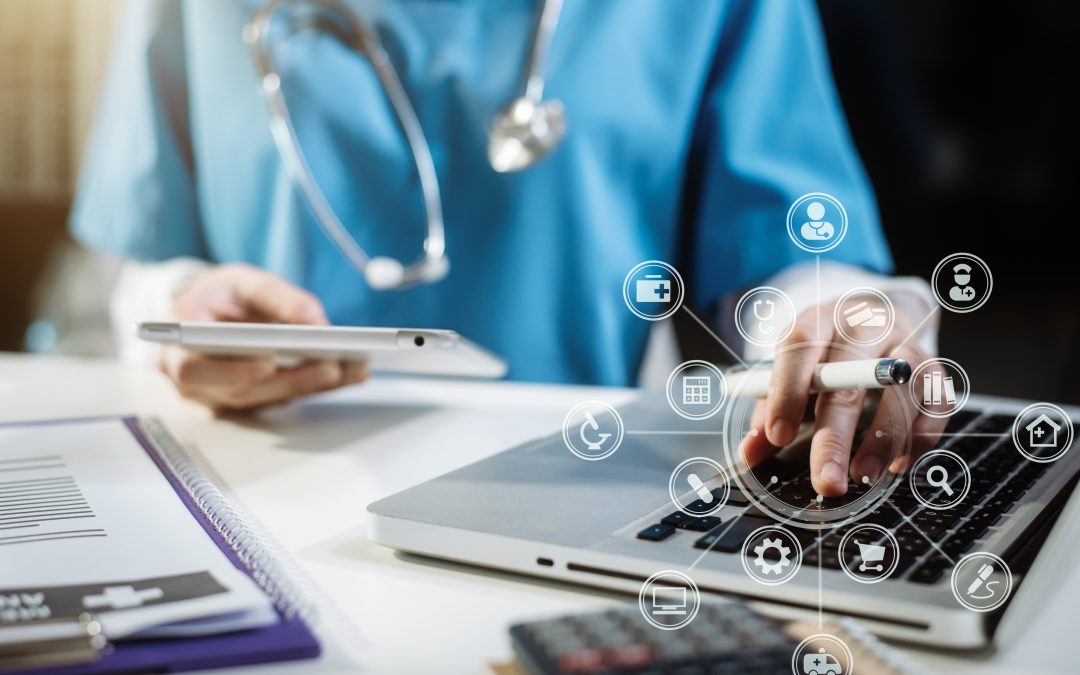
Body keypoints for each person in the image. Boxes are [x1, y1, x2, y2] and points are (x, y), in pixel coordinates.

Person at [70, 0, 941, 496]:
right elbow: (145, 256)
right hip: (249, 478)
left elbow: (781, 254)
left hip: (576, 483)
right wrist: (178, 315)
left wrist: (829, 327)